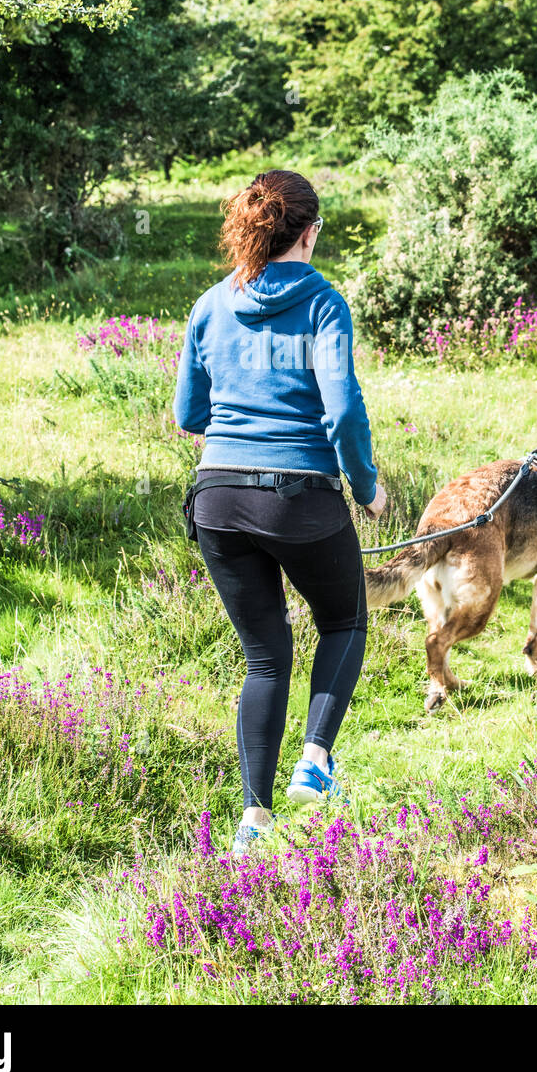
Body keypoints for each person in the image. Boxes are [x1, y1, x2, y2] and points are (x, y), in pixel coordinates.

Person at [173, 169, 387, 854]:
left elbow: (188, 414)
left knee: (265, 660)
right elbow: (343, 406)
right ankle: (315, 759)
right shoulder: (324, 302)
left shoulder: (210, 304)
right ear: (310, 232)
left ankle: (252, 820)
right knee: (346, 618)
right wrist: (365, 485)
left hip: (216, 497)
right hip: (298, 497)